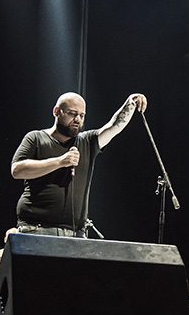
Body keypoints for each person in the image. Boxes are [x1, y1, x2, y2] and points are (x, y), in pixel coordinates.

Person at [11, 92, 147, 238]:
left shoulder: (86, 141)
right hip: (36, 229)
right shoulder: (36, 138)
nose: (77, 119)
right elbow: (17, 170)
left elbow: (113, 126)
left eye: (82, 116)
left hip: (74, 234)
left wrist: (130, 104)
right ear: (57, 111)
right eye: (72, 113)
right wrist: (60, 161)